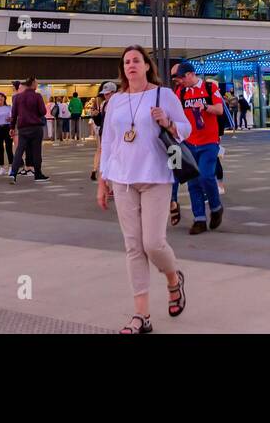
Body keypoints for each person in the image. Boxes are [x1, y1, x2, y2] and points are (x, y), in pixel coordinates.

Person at [96, 44, 191, 334]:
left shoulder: (164, 95)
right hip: (122, 179)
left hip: (156, 176)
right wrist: (103, 180)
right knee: (133, 247)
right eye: (126, 62)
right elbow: (109, 141)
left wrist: (168, 122)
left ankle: (174, 279)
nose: (131, 65)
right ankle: (141, 316)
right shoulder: (116, 101)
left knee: (153, 243)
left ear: (147, 65)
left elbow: (185, 129)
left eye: (136, 60)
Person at [171, 61, 225, 234]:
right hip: (188, 142)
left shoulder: (209, 88)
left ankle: (216, 207)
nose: (179, 82)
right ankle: (199, 219)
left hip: (209, 142)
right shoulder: (181, 92)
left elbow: (219, 110)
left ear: (189, 75)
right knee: (193, 182)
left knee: (206, 176)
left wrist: (205, 107)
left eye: (180, 78)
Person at [8, 77, 49, 183]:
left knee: (19, 150)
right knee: (36, 151)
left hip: (23, 128)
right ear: (32, 84)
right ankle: (38, 174)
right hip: (36, 127)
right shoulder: (37, 96)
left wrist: (12, 127)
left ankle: (13, 173)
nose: (38, 84)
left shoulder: (17, 97)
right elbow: (43, 111)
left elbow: (14, 114)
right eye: (36, 82)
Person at [90, 82, 117, 181]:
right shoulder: (104, 104)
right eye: (105, 94)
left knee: (113, 157)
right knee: (105, 155)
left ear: (114, 93)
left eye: (108, 93)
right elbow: (101, 122)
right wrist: (96, 116)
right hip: (104, 133)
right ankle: (108, 182)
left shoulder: (118, 104)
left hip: (114, 134)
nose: (106, 96)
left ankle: (112, 183)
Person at [0, 91, 14, 175]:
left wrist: (10, 119)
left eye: (2, 96)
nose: (0, 98)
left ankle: (11, 167)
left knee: (9, 147)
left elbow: (12, 118)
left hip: (7, 128)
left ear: (4, 98)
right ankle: (2, 168)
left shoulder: (9, 108)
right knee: (0, 148)